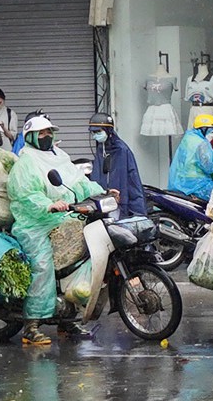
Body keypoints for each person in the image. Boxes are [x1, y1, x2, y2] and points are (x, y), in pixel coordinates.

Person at [8, 115, 102, 347]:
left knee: (76, 263)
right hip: (35, 225)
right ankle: (31, 325)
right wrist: (47, 204)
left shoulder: (60, 156)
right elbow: (25, 195)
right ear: (30, 137)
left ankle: (67, 320)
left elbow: (79, 182)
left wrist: (102, 191)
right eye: (41, 133)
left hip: (64, 218)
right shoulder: (26, 163)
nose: (47, 136)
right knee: (43, 265)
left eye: (49, 132)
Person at [168, 110, 213, 202]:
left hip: (179, 183)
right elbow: (209, 167)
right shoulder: (202, 144)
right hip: (196, 185)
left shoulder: (188, 137)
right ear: (204, 129)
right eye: (212, 132)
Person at [89, 113, 146, 220]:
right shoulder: (101, 149)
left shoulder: (121, 150)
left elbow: (130, 178)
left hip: (117, 202)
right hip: (102, 200)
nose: (95, 135)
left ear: (108, 130)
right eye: (93, 132)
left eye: (98, 131)